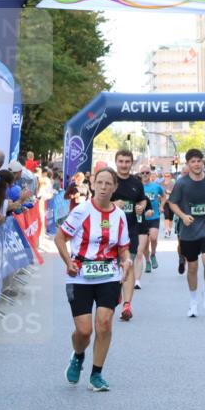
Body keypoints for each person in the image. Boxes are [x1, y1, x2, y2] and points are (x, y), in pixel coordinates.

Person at [54, 166, 132, 392]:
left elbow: (123, 248)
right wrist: (68, 262)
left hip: (108, 274)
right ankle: (78, 356)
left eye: (109, 184)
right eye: (100, 183)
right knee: (84, 331)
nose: (104, 187)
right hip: (79, 275)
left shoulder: (119, 216)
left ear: (115, 187)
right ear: (93, 184)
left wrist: (126, 261)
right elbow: (60, 238)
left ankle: (96, 374)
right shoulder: (81, 211)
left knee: (105, 324)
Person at [167, 149, 205, 317]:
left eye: (199, 161)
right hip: (189, 230)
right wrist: (182, 216)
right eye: (193, 161)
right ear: (188, 164)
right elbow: (172, 203)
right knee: (192, 267)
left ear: (202, 162)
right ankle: (193, 301)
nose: (197, 164)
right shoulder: (182, 183)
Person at [109, 150, 147, 320]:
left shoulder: (136, 182)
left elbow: (142, 199)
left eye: (127, 161)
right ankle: (115, 293)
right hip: (108, 230)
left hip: (130, 229)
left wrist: (141, 206)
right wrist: (112, 204)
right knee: (113, 266)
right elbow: (95, 201)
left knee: (128, 264)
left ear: (131, 163)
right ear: (116, 162)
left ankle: (127, 306)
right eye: (121, 161)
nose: (124, 164)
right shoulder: (109, 180)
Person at [139, 166, 164, 276]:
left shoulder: (156, 186)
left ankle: (153, 254)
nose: (145, 174)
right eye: (143, 173)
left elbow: (164, 196)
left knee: (153, 237)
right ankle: (148, 261)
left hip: (154, 216)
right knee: (144, 243)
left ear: (150, 174)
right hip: (142, 218)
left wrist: (161, 206)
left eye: (147, 172)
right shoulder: (138, 187)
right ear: (140, 174)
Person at [161, 171, 176, 238]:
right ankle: (166, 230)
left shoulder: (172, 184)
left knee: (171, 217)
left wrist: (169, 192)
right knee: (166, 215)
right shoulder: (161, 184)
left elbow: (175, 193)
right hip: (164, 202)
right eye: (165, 176)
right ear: (164, 177)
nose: (167, 177)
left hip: (172, 202)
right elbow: (159, 192)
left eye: (168, 176)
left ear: (170, 177)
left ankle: (169, 229)